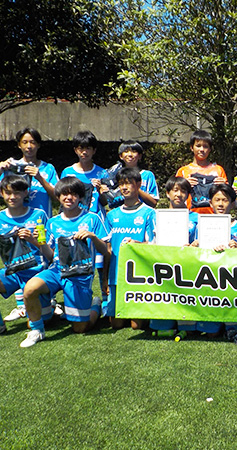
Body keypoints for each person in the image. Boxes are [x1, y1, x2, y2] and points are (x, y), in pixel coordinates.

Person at [21, 177, 110, 348]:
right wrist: (36, 242)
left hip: (80, 274)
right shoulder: (53, 222)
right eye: (64, 194)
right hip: (57, 270)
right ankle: (37, 330)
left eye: (74, 194)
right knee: (30, 288)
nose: (69, 198)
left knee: (80, 328)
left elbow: (105, 251)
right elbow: (50, 255)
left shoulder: (92, 219)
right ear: (58, 197)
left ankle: (95, 305)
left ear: (81, 197)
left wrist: (92, 237)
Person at [0, 127, 59, 322]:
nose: (29, 146)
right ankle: (21, 306)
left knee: (44, 259)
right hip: (16, 222)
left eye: (33, 142)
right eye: (25, 142)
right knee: (18, 261)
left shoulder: (48, 168)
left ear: (39, 145)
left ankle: (49, 301)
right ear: (19, 145)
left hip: (39, 223)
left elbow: (57, 196)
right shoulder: (11, 166)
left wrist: (39, 176)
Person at [0, 175, 51, 341]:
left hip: (37, 272)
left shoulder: (38, 214)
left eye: (17, 192)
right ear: (1, 193)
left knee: (44, 320)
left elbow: (49, 249)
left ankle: (47, 310)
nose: (12, 197)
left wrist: (32, 240)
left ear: (26, 193)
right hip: (13, 272)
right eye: (8, 192)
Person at [192, 183, 237, 338]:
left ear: (233, 203)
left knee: (233, 330)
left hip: (233, 282)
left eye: (225, 200)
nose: (221, 204)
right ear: (210, 203)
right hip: (210, 282)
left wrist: (236, 248)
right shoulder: (202, 225)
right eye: (217, 200)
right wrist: (194, 246)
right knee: (211, 334)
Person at [104, 167, 156, 330]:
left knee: (136, 326)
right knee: (116, 324)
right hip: (116, 273)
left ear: (138, 184)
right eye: (121, 184)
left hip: (139, 275)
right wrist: (105, 278)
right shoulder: (112, 215)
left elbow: (154, 244)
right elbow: (108, 249)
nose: (124, 187)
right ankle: (97, 305)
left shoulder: (149, 213)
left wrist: (137, 244)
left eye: (128, 183)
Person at [61, 130, 108, 303]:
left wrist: (101, 190)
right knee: (75, 263)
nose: (84, 152)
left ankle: (106, 300)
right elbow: (62, 198)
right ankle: (75, 300)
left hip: (96, 223)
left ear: (94, 150)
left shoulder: (102, 173)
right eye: (81, 148)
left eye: (88, 148)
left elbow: (106, 202)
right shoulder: (68, 172)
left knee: (101, 262)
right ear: (75, 150)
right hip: (75, 223)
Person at [149, 176, 199, 336]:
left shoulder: (196, 218)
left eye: (183, 191)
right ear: (167, 193)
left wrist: (195, 245)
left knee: (188, 327)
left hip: (188, 269)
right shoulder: (156, 216)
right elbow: (151, 243)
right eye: (175, 190)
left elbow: (201, 243)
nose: (179, 194)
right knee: (161, 326)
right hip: (164, 269)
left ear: (188, 195)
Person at [175, 130, 227, 214]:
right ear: (192, 148)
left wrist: (224, 186)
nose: (202, 149)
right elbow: (175, 194)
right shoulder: (183, 171)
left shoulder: (218, 170)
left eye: (205, 146)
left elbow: (227, 198)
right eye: (198, 146)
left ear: (210, 149)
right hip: (189, 216)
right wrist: (184, 185)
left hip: (214, 215)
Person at [116, 141, 159, 207]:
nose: (130, 154)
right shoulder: (116, 175)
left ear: (139, 156)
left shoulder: (147, 175)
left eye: (134, 151)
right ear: (121, 156)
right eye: (126, 151)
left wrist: (135, 188)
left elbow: (153, 202)